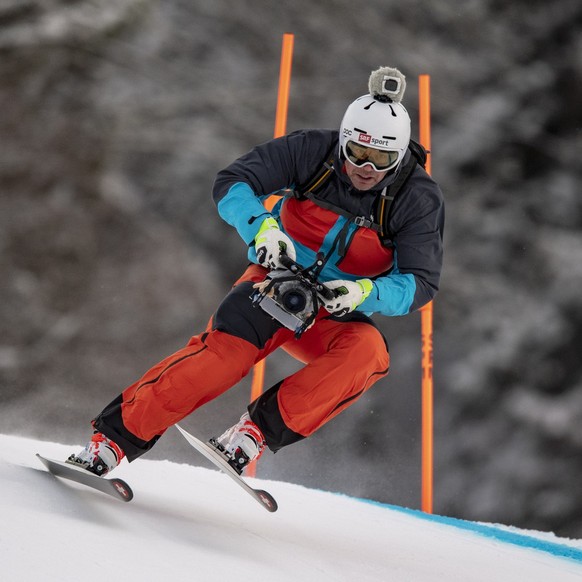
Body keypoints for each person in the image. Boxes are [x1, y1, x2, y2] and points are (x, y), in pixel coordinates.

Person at [69, 66, 445, 477]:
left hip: (333, 310)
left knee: (369, 354)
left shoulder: (417, 198)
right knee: (220, 361)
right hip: (272, 284)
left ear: (401, 153)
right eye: (356, 153)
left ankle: (252, 433)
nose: (366, 168)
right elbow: (233, 181)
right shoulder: (311, 150)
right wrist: (263, 228)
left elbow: (419, 282)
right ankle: (109, 443)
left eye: (381, 159)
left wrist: (362, 294)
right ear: (343, 139)